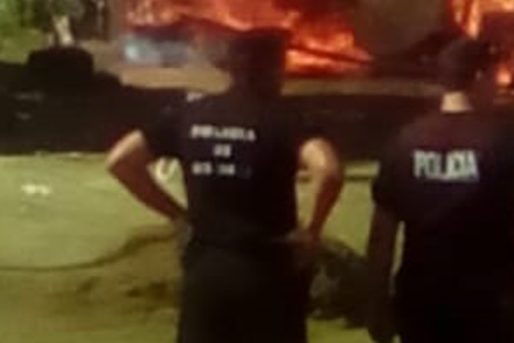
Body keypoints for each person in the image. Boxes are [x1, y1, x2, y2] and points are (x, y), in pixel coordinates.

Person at [106, 27, 344, 343]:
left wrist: (178, 216)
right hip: (266, 271)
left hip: (205, 269)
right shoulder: (283, 118)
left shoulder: (189, 114)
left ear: (231, 67)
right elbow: (328, 171)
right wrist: (311, 232)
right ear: (275, 68)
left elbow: (120, 161)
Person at [366, 37, 514, 343]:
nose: (498, 84)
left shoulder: (405, 142)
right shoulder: (508, 141)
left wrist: (377, 302)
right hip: (492, 307)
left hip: (423, 303)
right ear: (478, 78)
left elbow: (382, 234)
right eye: (494, 75)